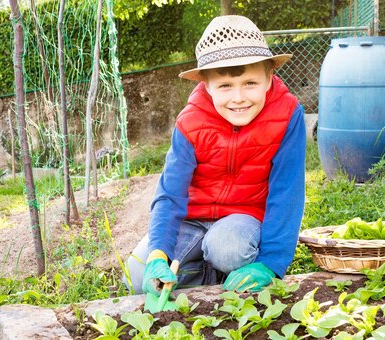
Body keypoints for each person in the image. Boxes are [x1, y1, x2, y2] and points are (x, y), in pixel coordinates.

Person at [125, 15, 306, 297]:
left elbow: (287, 192)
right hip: (192, 219)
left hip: (243, 218)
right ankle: (210, 279)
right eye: (224, 86)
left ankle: (221, 269)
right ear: (206, 85)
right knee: (137, 276)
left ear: (269, 77)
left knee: (228, 248)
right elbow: (170, 194)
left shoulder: (287, 115)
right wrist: (158, 254)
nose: (238, 98)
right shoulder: (190, 122)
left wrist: (270, 263)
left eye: (250, 83)